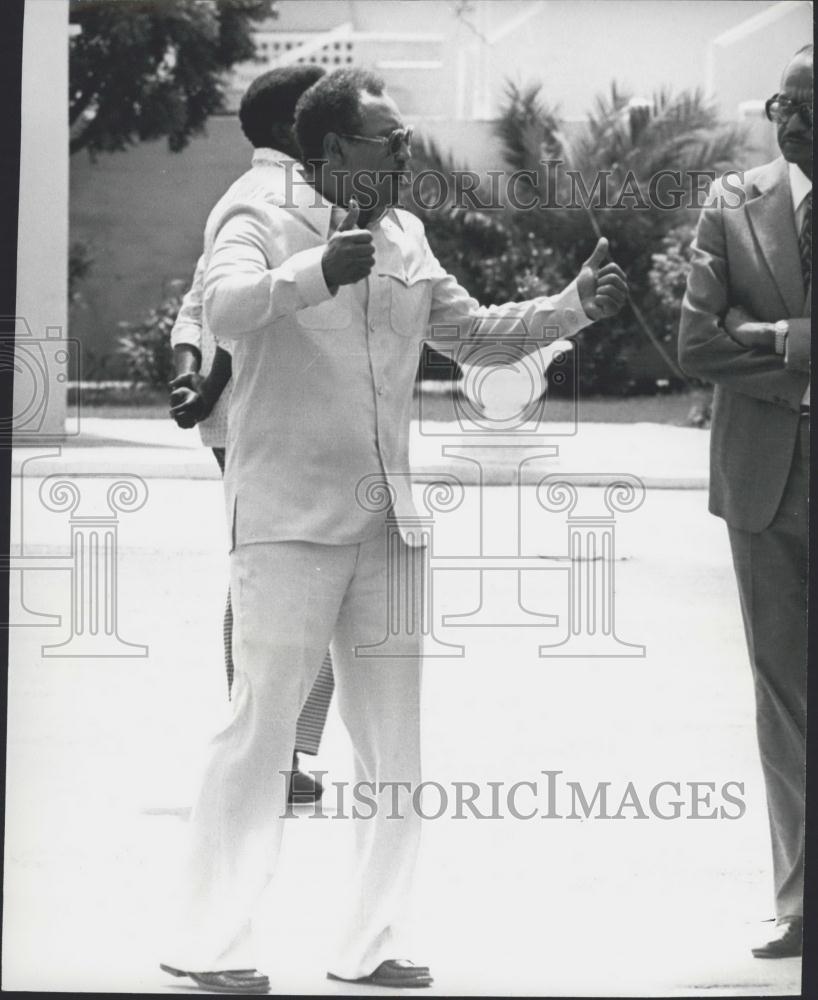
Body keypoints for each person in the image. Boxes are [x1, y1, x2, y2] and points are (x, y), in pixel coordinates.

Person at [159, 67, 628, 994]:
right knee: (260, 734)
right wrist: (312, 273)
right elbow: (221, 310)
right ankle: (212, 944)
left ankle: (372, 944)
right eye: (388, 138)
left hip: (390, 524)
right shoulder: (255, 211)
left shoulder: (407, 234)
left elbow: (475, 334)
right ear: (334, 149)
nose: (407, 151)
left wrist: (573, 305)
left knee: (395, 749)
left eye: (407, 137)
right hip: (287, 520)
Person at [167, 64, 332, 804]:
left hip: (265, 410)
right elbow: (227, 305)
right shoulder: (279, 196)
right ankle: (272, 754)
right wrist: (205, 378)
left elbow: (197, 304)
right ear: (291, 128)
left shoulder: (279, 192)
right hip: (264, 411)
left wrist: (190, 371)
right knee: (282, 577)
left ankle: (278, 752)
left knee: (281, 574)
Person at [678, 45, 811, 961]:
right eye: (781, 105)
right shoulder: (732, 202)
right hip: (767, 483)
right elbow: (696, 341)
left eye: (806, 106)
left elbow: (735, 336)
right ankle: (802, 902)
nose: (788, 121)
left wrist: (775, 333)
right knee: (782, 698)